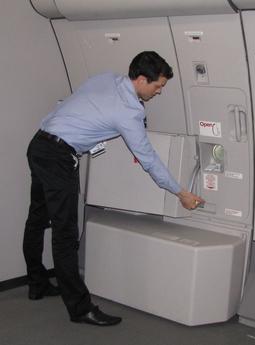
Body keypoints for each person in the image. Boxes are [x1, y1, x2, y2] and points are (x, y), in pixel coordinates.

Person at [23, 51, 204, 326]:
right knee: (65, 234)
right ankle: (80, 308)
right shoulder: (129, 112)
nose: (159, 92)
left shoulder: (106, 78)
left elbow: (73, 103)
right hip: (59, 158)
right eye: (157, 86)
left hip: (39, 143)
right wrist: (180, 192)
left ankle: (37, 283)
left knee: (37, 219)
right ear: (142, 79)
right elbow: (149, 160)